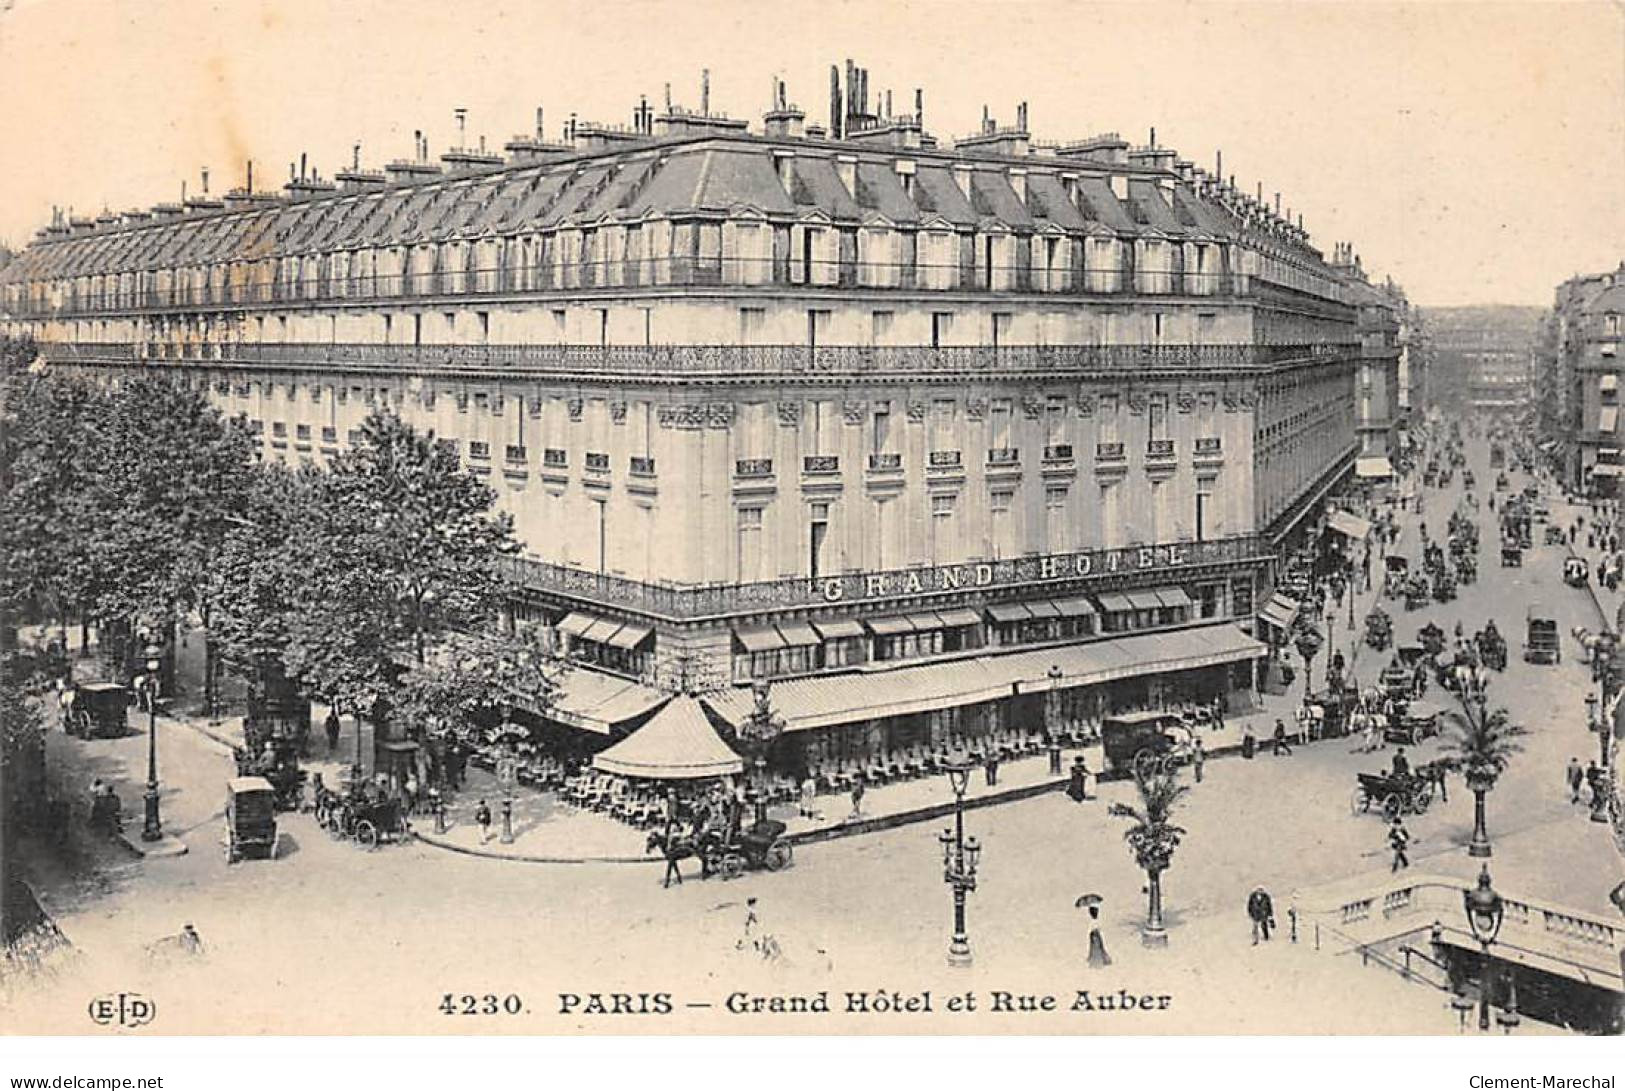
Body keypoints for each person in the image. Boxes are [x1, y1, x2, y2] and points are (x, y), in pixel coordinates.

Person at [1085, 903, 1111, 968]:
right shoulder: (1093, 922)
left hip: (1095, 938)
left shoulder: (1094, 922)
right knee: (1096, 951)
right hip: (1095, 937)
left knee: (1096, 952)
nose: (1097, 912)